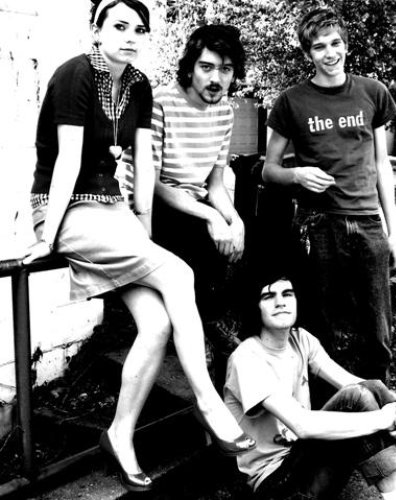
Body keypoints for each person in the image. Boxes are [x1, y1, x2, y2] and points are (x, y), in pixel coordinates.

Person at [22, 0, 254, 492]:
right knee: (180, 274)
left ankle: (119, 434)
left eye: (139, 29)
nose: (130, 36)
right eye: (119, 26)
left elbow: (144, 169)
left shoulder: (138, 84)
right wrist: (47, 235)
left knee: (157, 324)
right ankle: (208, 401)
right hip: (64, 208)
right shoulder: (74, 75)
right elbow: (66, 162)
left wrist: (142, 231)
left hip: (113, 212)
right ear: (97, 29)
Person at [262, 8, 396, 382]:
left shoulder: (373, 92)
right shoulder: (291, 101)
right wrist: (297, 174)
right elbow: (269, 170)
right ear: (308, 53)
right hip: (318, 225)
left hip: (368, 222)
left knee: (378, 330)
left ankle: (379, 405)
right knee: (323, 327)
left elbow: (382, 164)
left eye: (335, 43)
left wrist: (393, 233)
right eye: (319, 46)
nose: (330, 53)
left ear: (346, 45)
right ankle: (326, 407)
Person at [224, 272, 396, 500]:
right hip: (273, 487)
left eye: (287, 294)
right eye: (268, 296)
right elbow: (302, 425)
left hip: (306, 468)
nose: (280, 302)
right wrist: (384, 419)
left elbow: (358, 383)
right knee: (356, 398)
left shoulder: (301, 340)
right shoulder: (247, 358)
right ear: (255, 306)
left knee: (370, 388)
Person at [149, 24, 247, 359]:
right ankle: (193, 330)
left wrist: (235, 220)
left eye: (226, 69)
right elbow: (154, 183)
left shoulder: (224, 112)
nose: (216, 79)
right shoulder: (161, 101)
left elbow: (216, 185)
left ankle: (224, 325)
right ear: (190, 68)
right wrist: (210, 216)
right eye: (207, 67)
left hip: (195, 200)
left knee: (258, 237)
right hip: (155, 205)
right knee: (198, 235)